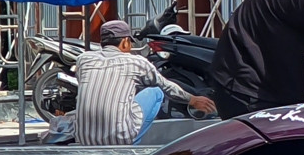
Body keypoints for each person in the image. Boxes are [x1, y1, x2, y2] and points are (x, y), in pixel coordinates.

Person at [73, 19, 215, 145]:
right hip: (120, 139)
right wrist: (192, 100)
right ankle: (132, 143)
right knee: (156, 91)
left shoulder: (83, 59)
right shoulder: (137, 62)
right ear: (125, 42)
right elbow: (166, 86)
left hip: (85, 139)